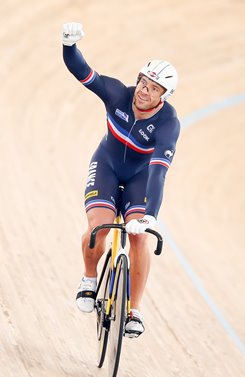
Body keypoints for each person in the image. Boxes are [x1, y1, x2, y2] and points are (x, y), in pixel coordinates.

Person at [62, 22, 180, 338]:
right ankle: (89, 278)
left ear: (163, 96)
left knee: (140, 237)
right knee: (98, 227)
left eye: (154, 88)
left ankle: (134, 309)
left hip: (142, 177)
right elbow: (82, 72)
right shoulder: (116, 93)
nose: (144, 90)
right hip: (108, 165)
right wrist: (69, 45)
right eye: (143, 82)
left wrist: (150, 217)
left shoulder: (168, 124)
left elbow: (158, 172)